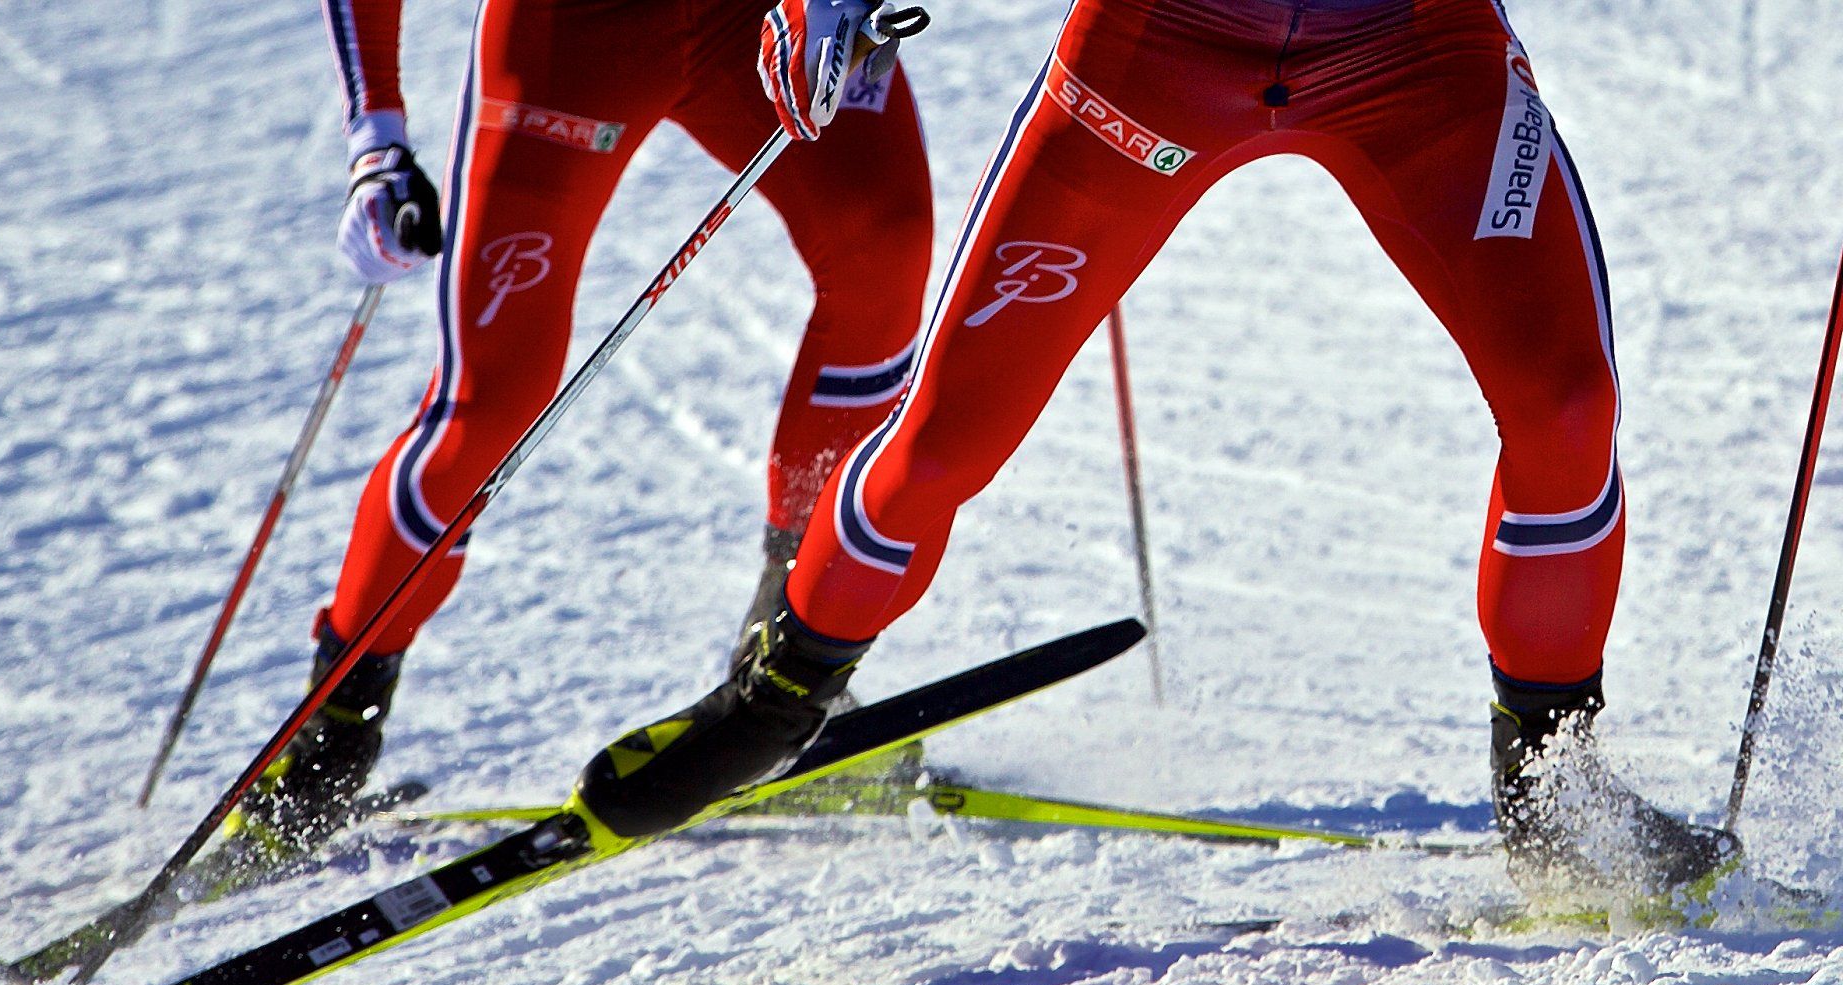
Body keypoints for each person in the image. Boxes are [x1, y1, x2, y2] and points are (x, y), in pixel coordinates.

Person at [577, 0, 1738, 896]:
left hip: (1416, 56)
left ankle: (1553, 792)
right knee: (943, 442)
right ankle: (775, 702)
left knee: (1567, 409)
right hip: (1157, 55)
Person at [221, 0, 935, 868]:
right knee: (494, 402)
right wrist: (376, 140)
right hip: (578, 34)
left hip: (764, 15)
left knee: (884, 250)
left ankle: (784, 682)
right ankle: (328, 741)